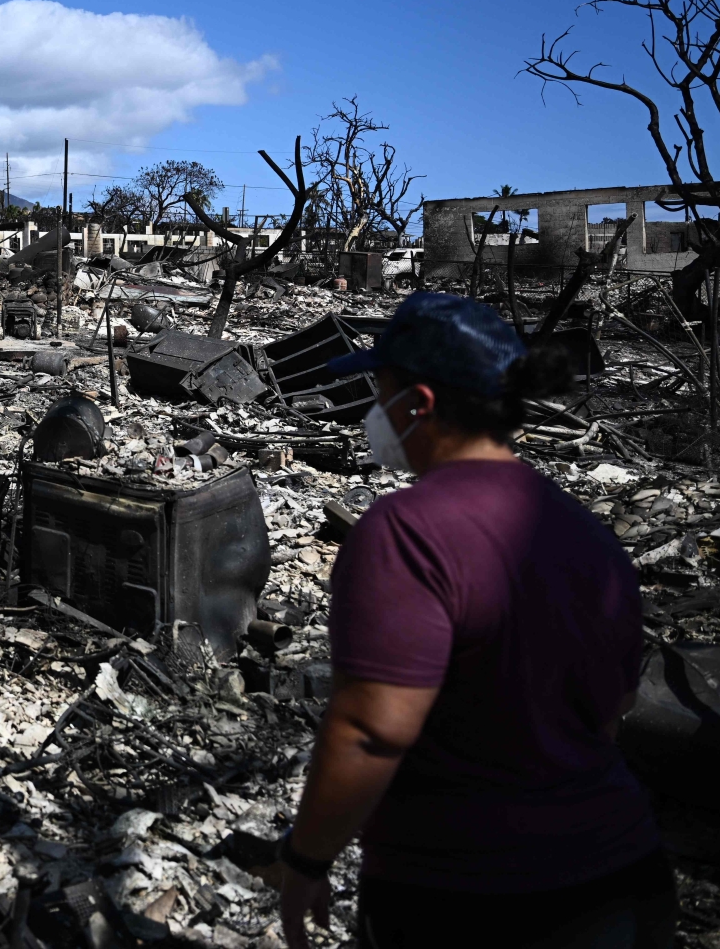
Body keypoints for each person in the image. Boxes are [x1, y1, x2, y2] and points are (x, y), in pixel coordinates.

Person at [278, 292, 668, 949]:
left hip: (469, 898)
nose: (375, 410)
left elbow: (372, 732)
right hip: (623, 879)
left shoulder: (406, 533)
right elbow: (615, 706)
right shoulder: (585, 532)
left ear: (419, 404)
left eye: (381, 390)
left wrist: (306, 861)